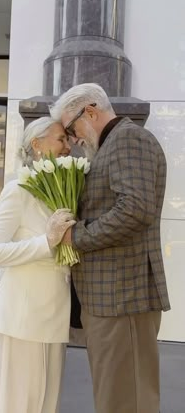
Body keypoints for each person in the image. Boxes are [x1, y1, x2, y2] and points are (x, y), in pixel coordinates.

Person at [50, 83, 170, 413]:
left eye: (72, 130)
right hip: (112, 299)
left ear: (90, 111)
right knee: (116, 397)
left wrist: (77, 237)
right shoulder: (113, 145)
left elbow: (134, 209)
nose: (73, 141)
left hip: (123, 298)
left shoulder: (128, 139)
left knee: (125, 400)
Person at [0, 117, 74, 413]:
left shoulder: (59, 191)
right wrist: (46, 242)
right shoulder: (19, 189)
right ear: (37, 145)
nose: (68, 147)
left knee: (45, 405)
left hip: (54, 322)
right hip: (21, 323)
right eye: (60, 139)